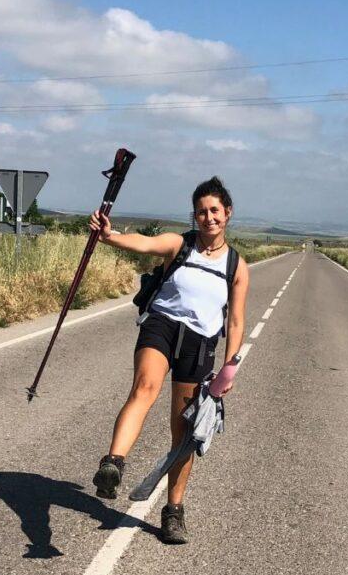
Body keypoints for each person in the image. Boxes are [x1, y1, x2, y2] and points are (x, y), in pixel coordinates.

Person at [88, 176, 248, 544]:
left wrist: (230, 365)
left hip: (201, 342)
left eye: (214, 211)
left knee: (184, 433)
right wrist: (109, 236)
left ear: (227, 213)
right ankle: (113, 463)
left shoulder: (237, 267)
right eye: (201, 212)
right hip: (161, 326)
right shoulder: (180, 244)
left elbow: (236, 319)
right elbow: (144, 244)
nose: (208, 218)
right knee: (144, 387)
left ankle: (173, 511)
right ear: (194, 216)